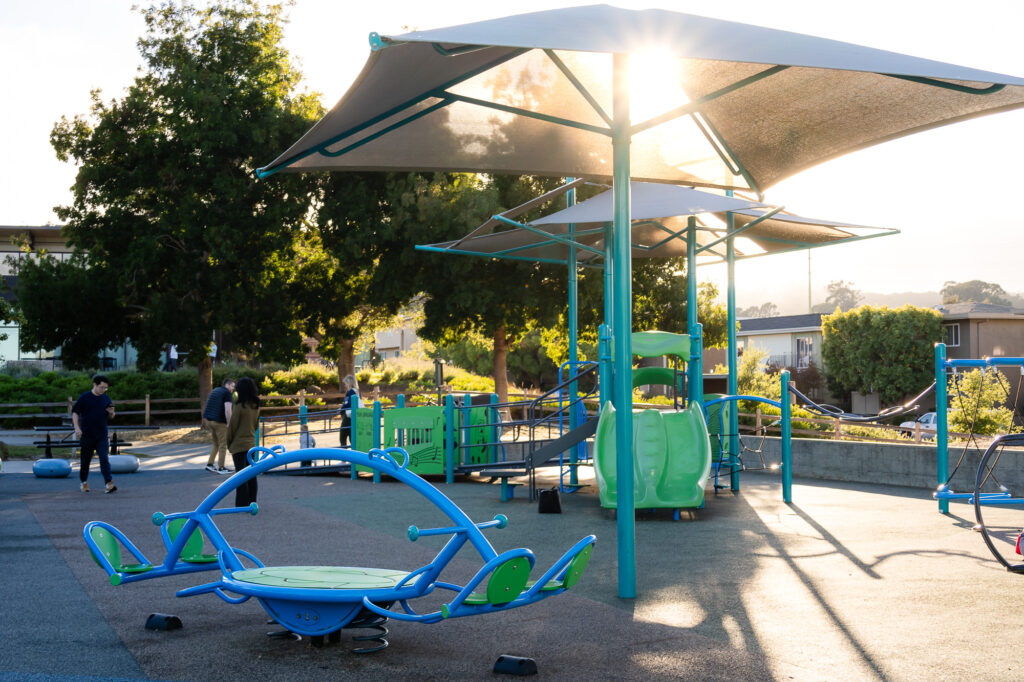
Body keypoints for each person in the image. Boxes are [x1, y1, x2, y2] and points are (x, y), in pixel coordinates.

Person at [72, 374, 117, 493]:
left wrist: (112, 413)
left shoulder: (106, 398)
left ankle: (109, 483)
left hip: (102, 435)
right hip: (87, 435)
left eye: (105, 388)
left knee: (104, 458)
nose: (103, 390)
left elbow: (111, 416)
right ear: (94, 385)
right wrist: (77, 428)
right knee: (85, 461)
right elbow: (75, 413)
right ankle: (84, 482)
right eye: (101, 387)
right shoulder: (85, 397)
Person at [227, 377, 260, 506]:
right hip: (251, 444)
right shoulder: (256, 406)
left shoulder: (240, 406)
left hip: (238, 445)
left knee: (240, 476)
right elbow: (256, 425)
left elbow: (232, 427)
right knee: (251, 475)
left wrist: (229, 443)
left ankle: (242, 503)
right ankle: (252, 501)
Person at [202, 377, 235, 474]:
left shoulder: (215, 391)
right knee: (223, 445)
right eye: (232, 386)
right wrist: (229, 423)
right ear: (227, 385)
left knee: (216, 444)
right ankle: (221, 467)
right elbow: (228, 409)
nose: (233, 389)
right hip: (219, 422)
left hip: (209, 421)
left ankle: (210, 464)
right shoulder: (227, 393)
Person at [339, 374, 359, 448]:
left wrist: (342, 408)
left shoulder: (351, 392)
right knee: (350, 434)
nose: (345, 385)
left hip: (349, 415)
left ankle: (344, 451)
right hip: (349, 415)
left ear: (349, 383)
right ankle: (353, 451)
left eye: (346, 383)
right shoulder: (354, 391)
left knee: (343, 434)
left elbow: (349, 403)